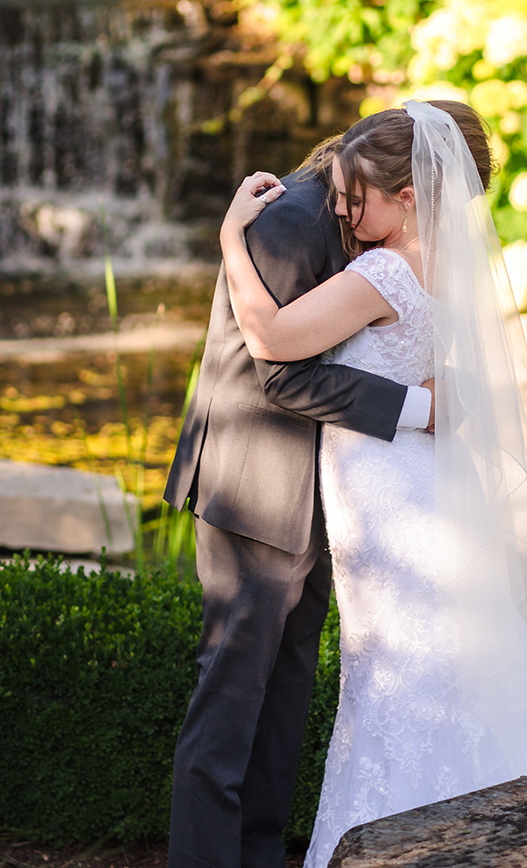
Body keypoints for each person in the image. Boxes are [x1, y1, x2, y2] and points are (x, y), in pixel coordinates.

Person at [220, 99, 527, 868]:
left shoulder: (383, 269)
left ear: (408, 196)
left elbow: (269, 337)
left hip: (388, 497)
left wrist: (231, 236)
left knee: (399, 676)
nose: (337, 208)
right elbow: (434, 379)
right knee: (447, 666)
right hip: (417, 484)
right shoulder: (444, 266)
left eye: (353, 195)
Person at [163, 139, 435, 868]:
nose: (352, 213)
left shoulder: (367, 223)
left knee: (283, 699)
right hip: (254, 486)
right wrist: (418, 408)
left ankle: (257, 854)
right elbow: (277, 378)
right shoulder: (288, 219)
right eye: (350, 197)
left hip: (322, 493)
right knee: (230, 703)